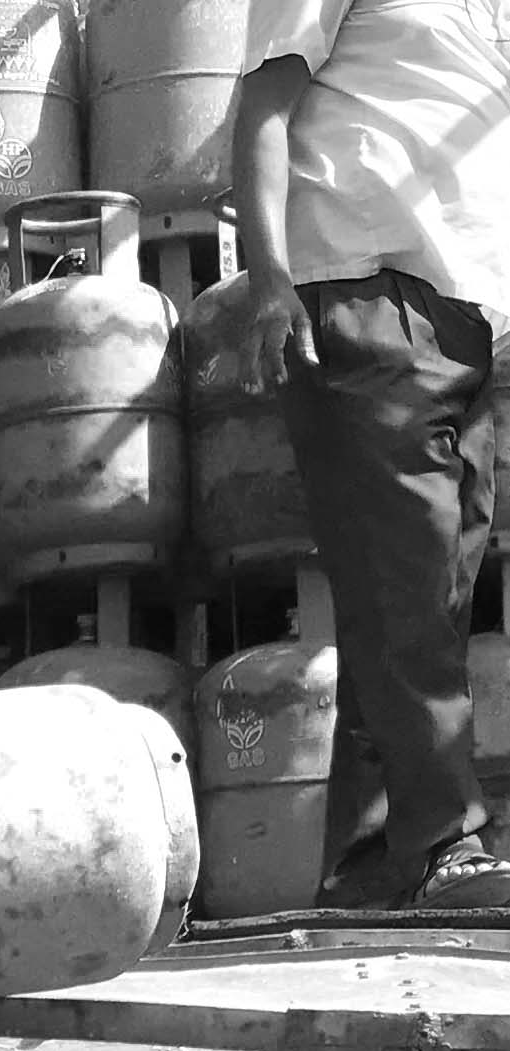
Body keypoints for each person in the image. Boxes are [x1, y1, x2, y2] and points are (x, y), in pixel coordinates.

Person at [234, 0, 510, 909]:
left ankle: (362, 861)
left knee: (419, 595)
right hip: (362, 290)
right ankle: (442, 847)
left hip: (468, 317)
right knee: (408, 584)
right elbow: (263, 105)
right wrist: (267, 277)